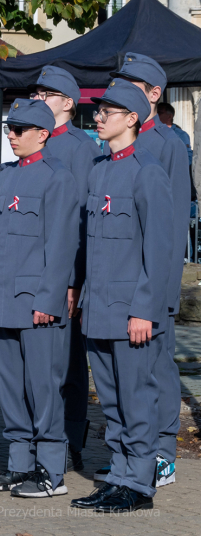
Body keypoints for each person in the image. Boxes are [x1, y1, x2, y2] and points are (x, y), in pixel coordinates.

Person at [69, 80, 172, 514]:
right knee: (112, 402)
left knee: (137, 400)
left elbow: (161, 249)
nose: (97, 117)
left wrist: (145, 309)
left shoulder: (147, 171)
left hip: (133, 311)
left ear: (132, 119)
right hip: (99, 310)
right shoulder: (99, 168)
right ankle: (118, 475)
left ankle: (139, 484)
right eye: (98, 111)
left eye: (107, 112)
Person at [0, 99, 79, 498]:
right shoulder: (4, 177)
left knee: (44, 389)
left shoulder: (58, 178)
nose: (12, 136)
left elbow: (61, 246)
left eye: (20, 130)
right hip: (4, 300)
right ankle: (20, 466)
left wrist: (48, 300)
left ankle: (51, 471)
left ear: (44, 134)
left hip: (38, 303)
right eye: (10, 129)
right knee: (11, 388)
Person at [108, 54, 188, 488]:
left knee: (157, 371)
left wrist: (164, 293)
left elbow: (171, 228)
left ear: (154, 96)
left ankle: (162, 454)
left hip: (154, 287)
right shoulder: (116, 145)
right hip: (121, 285)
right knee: (129, 377)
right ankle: (131, 456)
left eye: (132, 85)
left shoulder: (167, 145)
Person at [28, 66, 102, 472]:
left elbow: (80, 221)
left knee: (69, 363)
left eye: (47, 93)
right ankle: (36, 437)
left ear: (69, 103)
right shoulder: (30, 142)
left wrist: (74, 280)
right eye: (36, 91)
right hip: (29, 267)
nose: (39, 97)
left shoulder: (80, 148)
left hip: (65, 271)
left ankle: (71, 440)